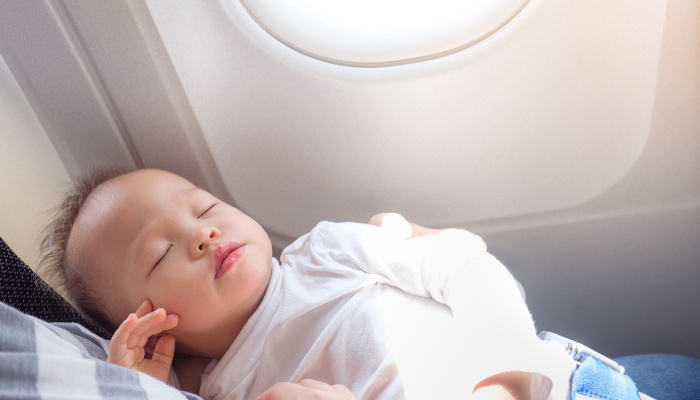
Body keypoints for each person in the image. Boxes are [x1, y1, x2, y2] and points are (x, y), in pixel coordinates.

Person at [38, 168, 638, 400]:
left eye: (204, 206)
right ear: (146, 321)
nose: (203, 236)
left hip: (550, 385)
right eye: (162, 252)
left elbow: (464, 267)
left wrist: (507, 378)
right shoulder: (210, 392)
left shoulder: (324, 251)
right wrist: (134, 387)